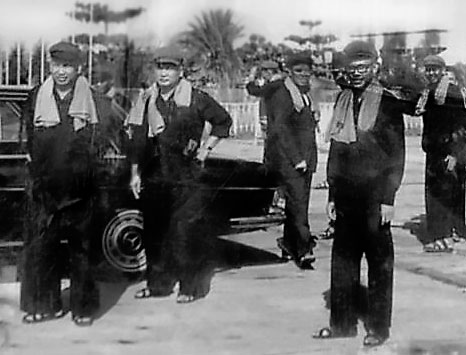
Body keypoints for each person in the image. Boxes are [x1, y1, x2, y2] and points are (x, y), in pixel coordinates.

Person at [313, 41, 406, 347]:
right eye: (352, 68)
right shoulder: (342, 100)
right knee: (343, 262)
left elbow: (396, 155)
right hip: (346, 197)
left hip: (375, 196)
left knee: (379, 264)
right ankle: (341, 324)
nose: (356, 74)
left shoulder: (388, 102)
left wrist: (389, 199)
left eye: (363, 67)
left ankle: (378, 328)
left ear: (374, 68)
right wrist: (331, 195)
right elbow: (336, 152)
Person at [127, 46, 232, 303]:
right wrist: (135, 173)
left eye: (170, 67)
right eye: (160, 67)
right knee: (154, 233)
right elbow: (137, 140)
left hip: (186, 176)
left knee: (185, 232)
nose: (164, 73)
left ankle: (190, 287)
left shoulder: (195, 98)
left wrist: (206, 150)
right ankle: (158, 285)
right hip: (155, 175)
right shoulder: (146, 100)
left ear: (180, 71)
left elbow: (223, 121)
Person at [20, 41, 113, 326]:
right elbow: (28, 140)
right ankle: (44, 306)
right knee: (39, 249)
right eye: (56, 65)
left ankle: (83, 309)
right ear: (49, 66)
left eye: (67, 66)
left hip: (80, 191)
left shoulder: (95, 100)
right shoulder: (36, 96)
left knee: (82, 251)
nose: (60, 72)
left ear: (78, 68)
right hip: (44, 189)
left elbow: (103, 144)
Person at [247, 53, 318, 269]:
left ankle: (288, 244)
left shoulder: (302, 94)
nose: (304, 75)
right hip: (290, 162)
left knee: (298, 205)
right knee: (298, 206)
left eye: (308, 71)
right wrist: (297, 159)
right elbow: (281, 129)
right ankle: (304, 249)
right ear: (289, 72)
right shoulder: (282, 93)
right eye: (299, 71)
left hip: (305, 160)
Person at [415, 55, 466, 252]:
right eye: (428, 69)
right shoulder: (428, 94)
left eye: (435, 69)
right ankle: (440, 234)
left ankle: (443, 236)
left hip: (448, 152)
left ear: (442, 70)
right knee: (433, 194)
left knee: (444, 194)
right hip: (433, 152)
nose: (431, 73)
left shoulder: (451, 92)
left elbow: (462, 124)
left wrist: (454, 154)